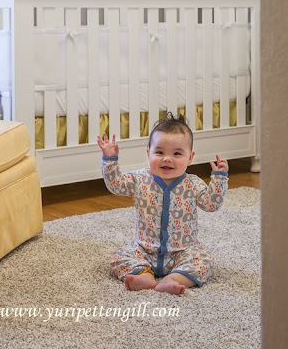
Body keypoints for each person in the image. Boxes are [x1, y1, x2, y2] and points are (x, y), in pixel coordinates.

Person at [97, 113, 228, 295]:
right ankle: (144, 275)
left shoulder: (193, 183)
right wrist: (110, 160)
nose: (167, 158)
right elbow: (116, 185)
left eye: (177, 153)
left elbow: (211, 205)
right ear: (148, 153)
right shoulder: (139, 179)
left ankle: (174, 279)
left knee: (204, 261)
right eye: (159, 152)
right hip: (144, 249)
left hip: (182, 251)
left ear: (190, 157)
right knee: (119, 256)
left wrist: (219, 179)